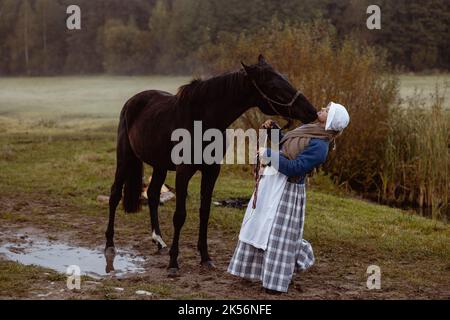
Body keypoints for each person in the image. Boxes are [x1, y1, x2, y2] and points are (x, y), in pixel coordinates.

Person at [227, 102, 350, 294]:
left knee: (279, 237)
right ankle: (257, 271)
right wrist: (274, 133)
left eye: (327, 110)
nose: (323, 109)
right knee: (260, 227)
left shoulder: (320, 146)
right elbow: (288, 147)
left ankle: (275, 283)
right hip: (273, 182)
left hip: (288, 192)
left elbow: (295, 167)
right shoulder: (310, 130)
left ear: (331, 121)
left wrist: (268, 154)